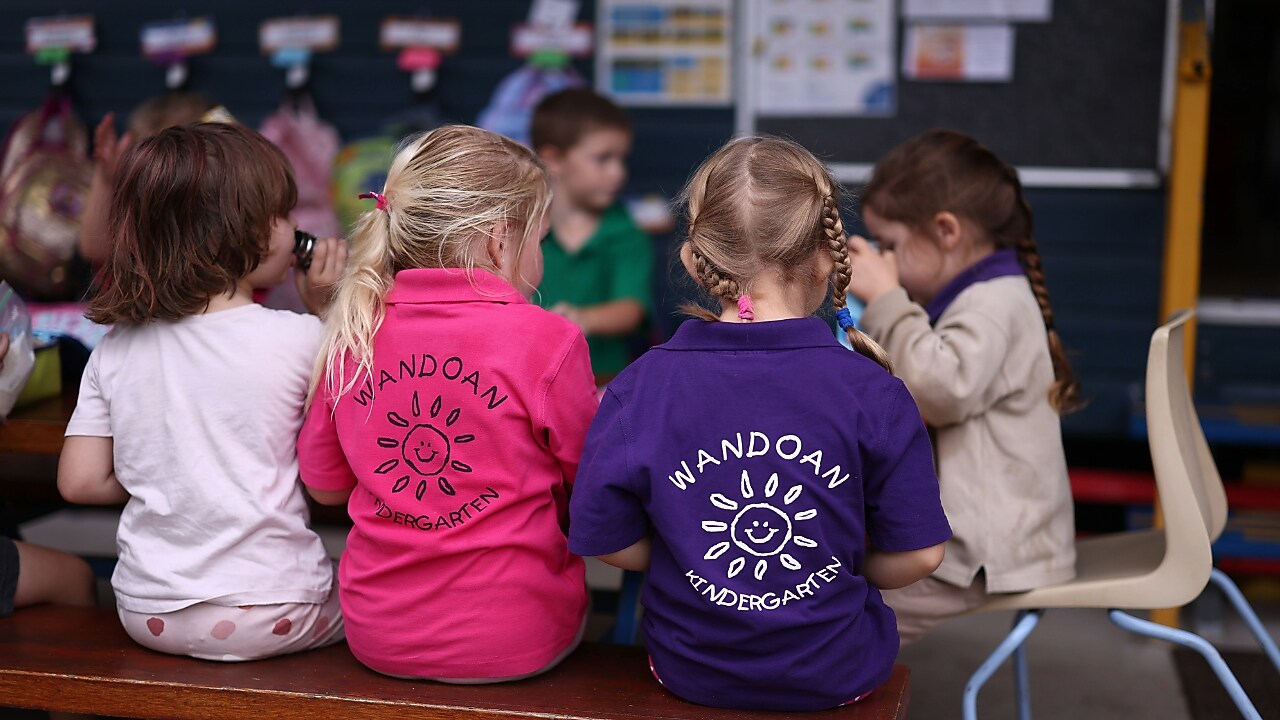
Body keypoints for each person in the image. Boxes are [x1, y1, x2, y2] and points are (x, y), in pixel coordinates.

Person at [567, 136, 952, 711]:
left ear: (695, 260)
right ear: (827, 257)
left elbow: (605, 539)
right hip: (839, 673)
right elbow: (921, 556)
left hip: (689, 672)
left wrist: (685, 551)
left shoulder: (640, 386)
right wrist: (840, 562)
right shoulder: (875, 392)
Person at [297, 125, 597, 683]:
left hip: (378, 635)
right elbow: (593, 480)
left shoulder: (351, 333)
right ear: (498, 239)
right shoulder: (548, 340)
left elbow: (326, 487)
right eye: (539, 239)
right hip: (516, 637)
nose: (541, 255)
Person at [56, 122, 346, 662]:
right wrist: (330, 312)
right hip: (271, 611)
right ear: (253, 233)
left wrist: (172, 478)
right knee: (381, 597)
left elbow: (78, 482)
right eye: (284, 215)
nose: (294, 228)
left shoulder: (115, 348)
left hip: (148, 612)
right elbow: (346, 439)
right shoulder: (303, 339)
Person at [846, 129, 1079, 643]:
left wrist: (885, 298)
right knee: (845, 579)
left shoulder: (992, 304)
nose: (884, 259)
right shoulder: (986, 294)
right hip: (998, 542)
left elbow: (938, 389)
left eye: (892, 245)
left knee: (845, 611)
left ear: (946, 231)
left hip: (989, 553)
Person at [530, 88, 654, 382]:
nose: (618, 172)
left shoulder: (625, 232)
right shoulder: (522, 230)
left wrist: (583, 320)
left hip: (604, 381)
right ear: (553, 160)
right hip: (529, 378)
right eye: (603, 159)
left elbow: (632, 310)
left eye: (621, 159)